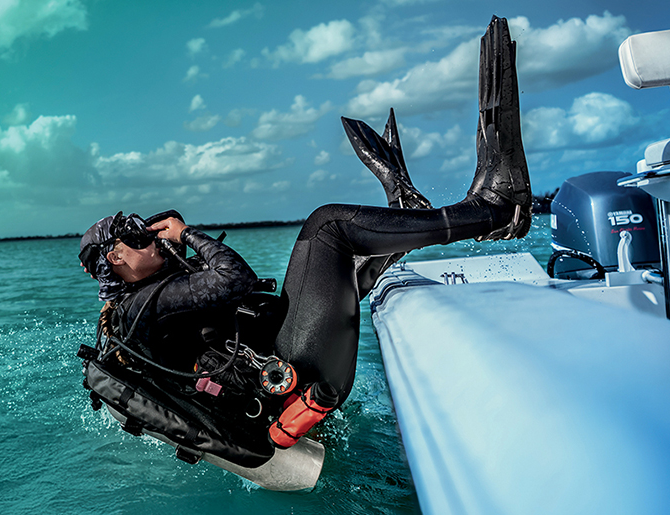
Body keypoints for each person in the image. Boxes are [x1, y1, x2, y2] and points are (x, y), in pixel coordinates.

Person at [79, 16, 530, 459]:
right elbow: (235, 279)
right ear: (115, 257)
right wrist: (188, 233)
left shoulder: (139, 306)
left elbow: (216, 306)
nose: (150, 239)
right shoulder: (145, 304)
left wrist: (178, 247)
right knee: (327, 227)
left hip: (288, 368)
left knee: (330, 259)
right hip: (294, 374)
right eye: (136, 238)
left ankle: (408, 215)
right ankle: (494, 209)